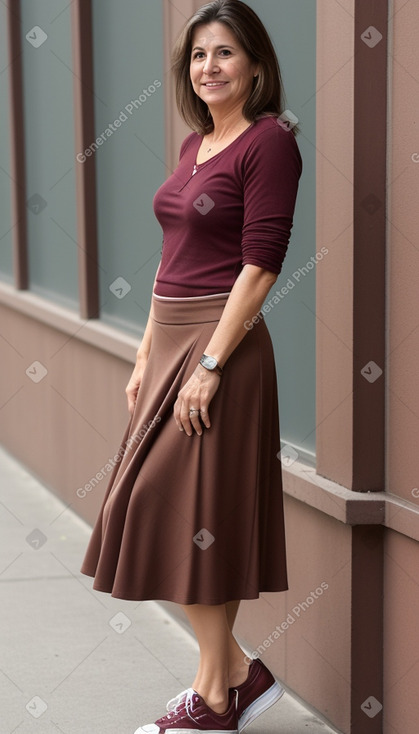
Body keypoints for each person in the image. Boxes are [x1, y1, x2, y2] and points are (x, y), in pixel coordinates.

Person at [80, 1, 303, 731]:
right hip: (171, 342)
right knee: (154, 510)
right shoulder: (195, 145)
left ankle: (217, 694)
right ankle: (233, 676)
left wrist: (209, 362)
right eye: (198, 55)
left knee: (182, 513)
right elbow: (171, 258)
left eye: (225, 54)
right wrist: (146, 352)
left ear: (256, 67)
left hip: (221, 347)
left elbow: (262, 265)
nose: (208, 67)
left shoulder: (268, 143)